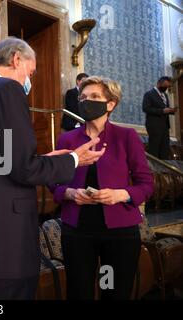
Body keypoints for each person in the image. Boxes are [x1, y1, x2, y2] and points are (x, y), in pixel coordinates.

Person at [0, 37, 106, 300]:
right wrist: (74, 159)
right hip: (4, 238)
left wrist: (45, 158)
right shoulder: (7, 89)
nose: (29, 82)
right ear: (16, 59)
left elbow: (0, 162)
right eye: (30, 73)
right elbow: (24, 169)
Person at [51, 76, 154, 300]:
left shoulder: (126, 137)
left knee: (112, 292)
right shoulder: (66, 139)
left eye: (95, 96)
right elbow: (55, 182)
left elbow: (146, 184)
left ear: (110, 104)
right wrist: (69, 193)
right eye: (83, 97)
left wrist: (120, 194)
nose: (87, 101)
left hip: (119, 233)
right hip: (78, 231)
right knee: (79, 292)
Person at [142, 76, 176, 159]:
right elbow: (146, 108)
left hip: (165, 126)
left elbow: (164, 108)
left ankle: (164, 170)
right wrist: (162, 111)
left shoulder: (165, 95)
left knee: (165, 149)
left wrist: (171, 111)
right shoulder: (149, 94)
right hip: (154, 125)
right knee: (154, 149)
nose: (166, 88)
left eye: (168, 86)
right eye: (165, 85)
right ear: (159, 83)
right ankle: (154, 170)